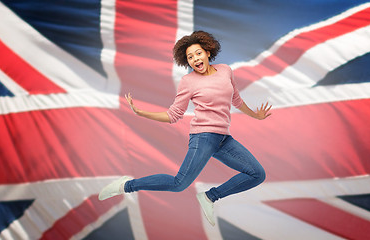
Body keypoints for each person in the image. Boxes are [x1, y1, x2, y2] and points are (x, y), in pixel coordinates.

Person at [98, 31, 272, 226]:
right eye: (190, 57)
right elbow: (173, 115)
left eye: (198, 53)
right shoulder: (188, 82)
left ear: (207, 52)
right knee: (179, 183)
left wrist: (255, 115)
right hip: (203, 137)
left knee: (257, 174)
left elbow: (236, 99)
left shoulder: (225, 70)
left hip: (224, 139)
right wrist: (141, 113)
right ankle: (125, 185)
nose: (195, 59)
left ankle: (209, 197)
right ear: (187, 61)